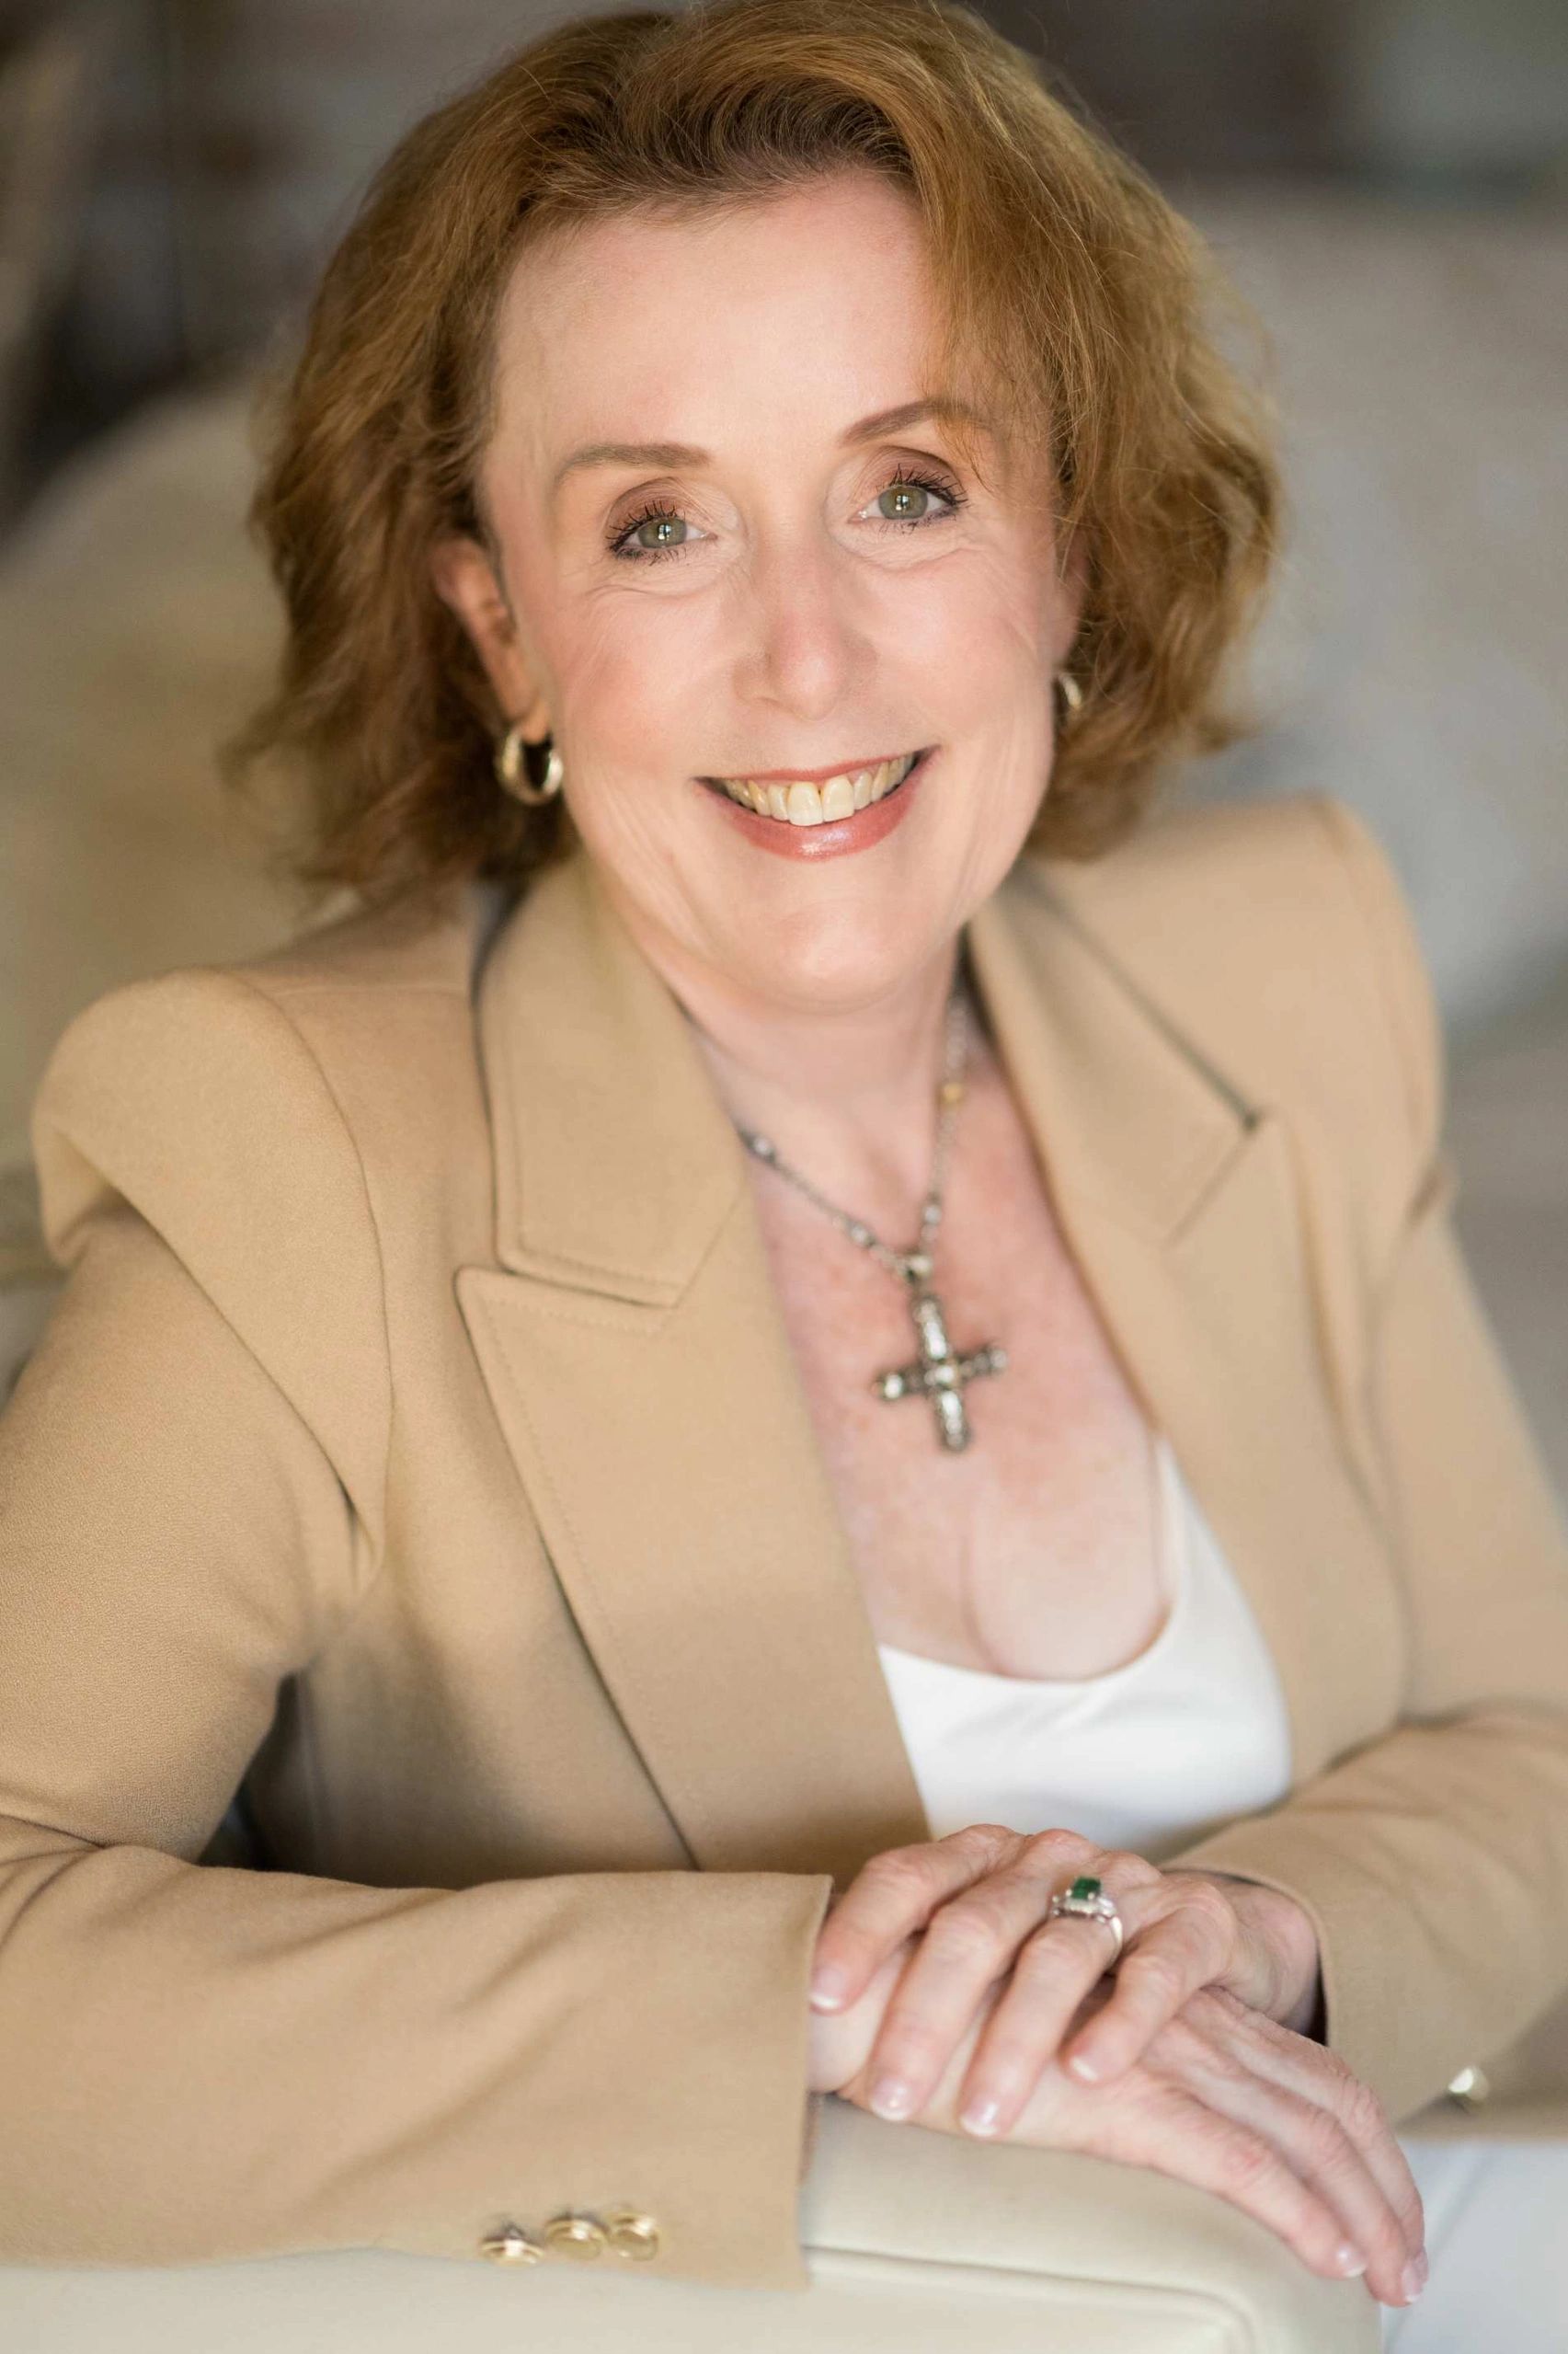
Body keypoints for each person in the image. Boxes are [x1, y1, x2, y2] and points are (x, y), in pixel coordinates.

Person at [3, 0, 1566, 2338]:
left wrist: (1244, 1934)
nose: (807, 653)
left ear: (1068, 542)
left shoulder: (1286, 973)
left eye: (909, 484)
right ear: (502, 625)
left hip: (1394, 2248)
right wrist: (826, 1998)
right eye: (657, 523)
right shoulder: (290, 1142)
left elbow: (1530, 1744)